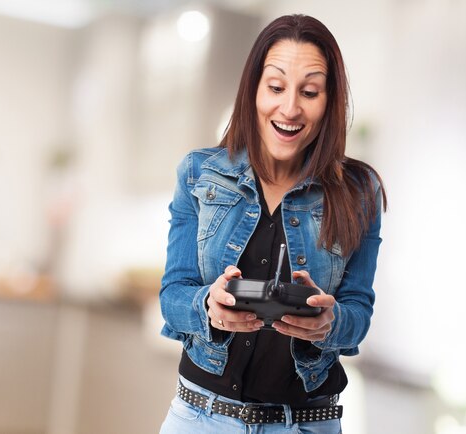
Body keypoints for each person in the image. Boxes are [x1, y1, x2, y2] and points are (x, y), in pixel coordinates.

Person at [158, 13, 386, 434]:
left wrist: (328, 322)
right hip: (200, 417)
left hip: (305, 423)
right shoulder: (199, 173)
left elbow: (359, 311)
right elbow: (172, 295)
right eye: (276, 87)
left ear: (330, 100)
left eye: (310, 91)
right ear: (254, 91)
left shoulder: (360, 190)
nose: (290, 108)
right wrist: (208, 306)